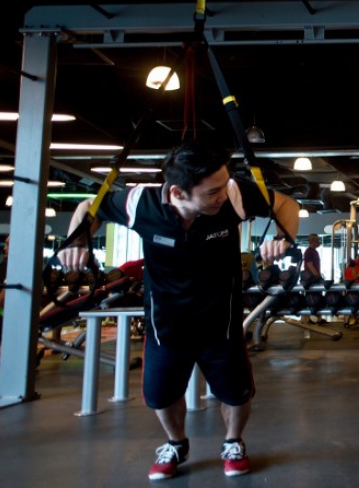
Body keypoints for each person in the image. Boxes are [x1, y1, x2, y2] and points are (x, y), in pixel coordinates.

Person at [57, 141, 299, 480]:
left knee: (236, 390)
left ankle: (233, 440)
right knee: (160, 394)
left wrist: (283, 239)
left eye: (224, 185)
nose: (221, 195)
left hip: (221, 318)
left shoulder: (232, 193)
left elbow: (286, 204)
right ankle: (175, 442)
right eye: (212, 191)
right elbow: (89, 208)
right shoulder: (140, 202)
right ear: (177, 193)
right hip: (166, 321)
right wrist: (78, 241)